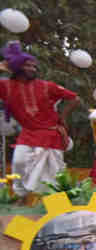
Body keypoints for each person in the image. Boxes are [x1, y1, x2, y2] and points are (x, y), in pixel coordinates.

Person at [0, 41, 79, 198]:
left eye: (34, 66)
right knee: (19, 162)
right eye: (28, 65)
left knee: (53, 172)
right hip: (28, 133)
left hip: (51, 134)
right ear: (16, 67)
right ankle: (21, 196)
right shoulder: (5, 86)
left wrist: (63, 117)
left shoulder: (46, 86)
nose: (32, 69)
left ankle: (54, 201)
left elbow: (74, 99)